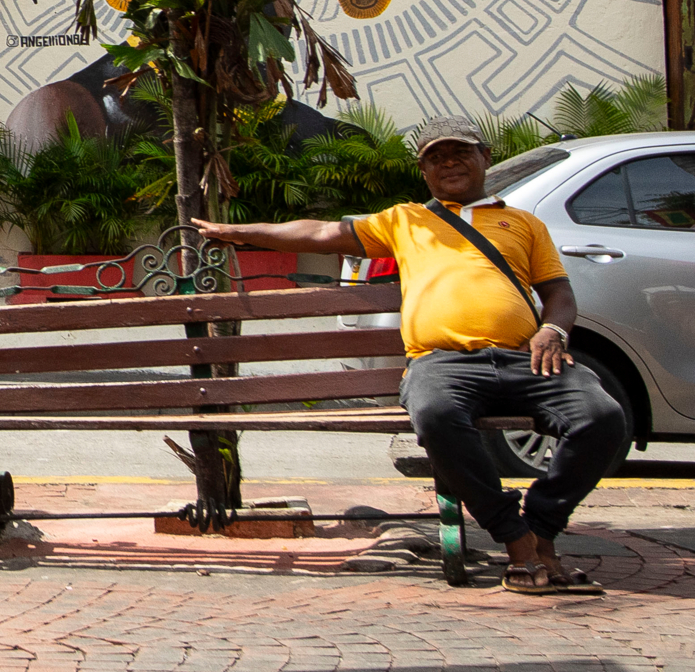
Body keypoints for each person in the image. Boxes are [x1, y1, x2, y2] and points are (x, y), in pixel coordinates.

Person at [194, 114, 626, 596]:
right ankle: (516, 538)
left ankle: (542, 527)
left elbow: (559, 294)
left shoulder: (523, 223)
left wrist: (552, 330)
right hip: (442, 364)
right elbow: (319, 233)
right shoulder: (405, 220)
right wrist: (242, 232)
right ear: (424, 172)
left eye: (459, 152)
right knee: (437, 415)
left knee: (603, 415)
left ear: (485, 157)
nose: (449, 164)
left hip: (524, 359)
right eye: (435, 158)